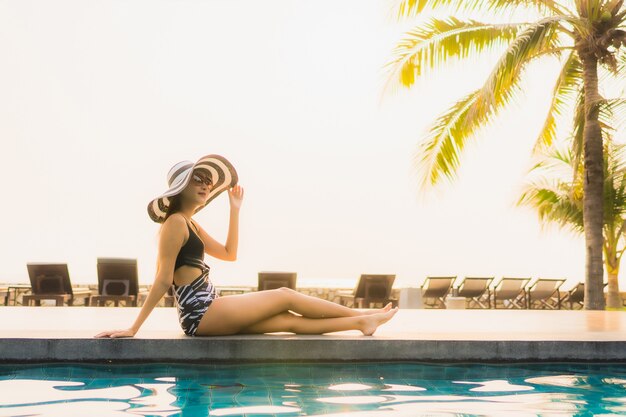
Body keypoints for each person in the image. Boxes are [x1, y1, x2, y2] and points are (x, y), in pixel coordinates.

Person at [95, 154, 398, 339]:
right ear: (180, 187)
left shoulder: (191, 224)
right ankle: (359, 314)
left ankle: (361, 322)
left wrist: (235, 209)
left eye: (208, 181)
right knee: (284, 296)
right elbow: (163, 279)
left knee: (288, 322)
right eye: (197, 179)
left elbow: (230, 254)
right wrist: (134, 328)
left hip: (208, 310)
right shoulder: (174, 223)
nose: (205, 185)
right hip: (201, 313)